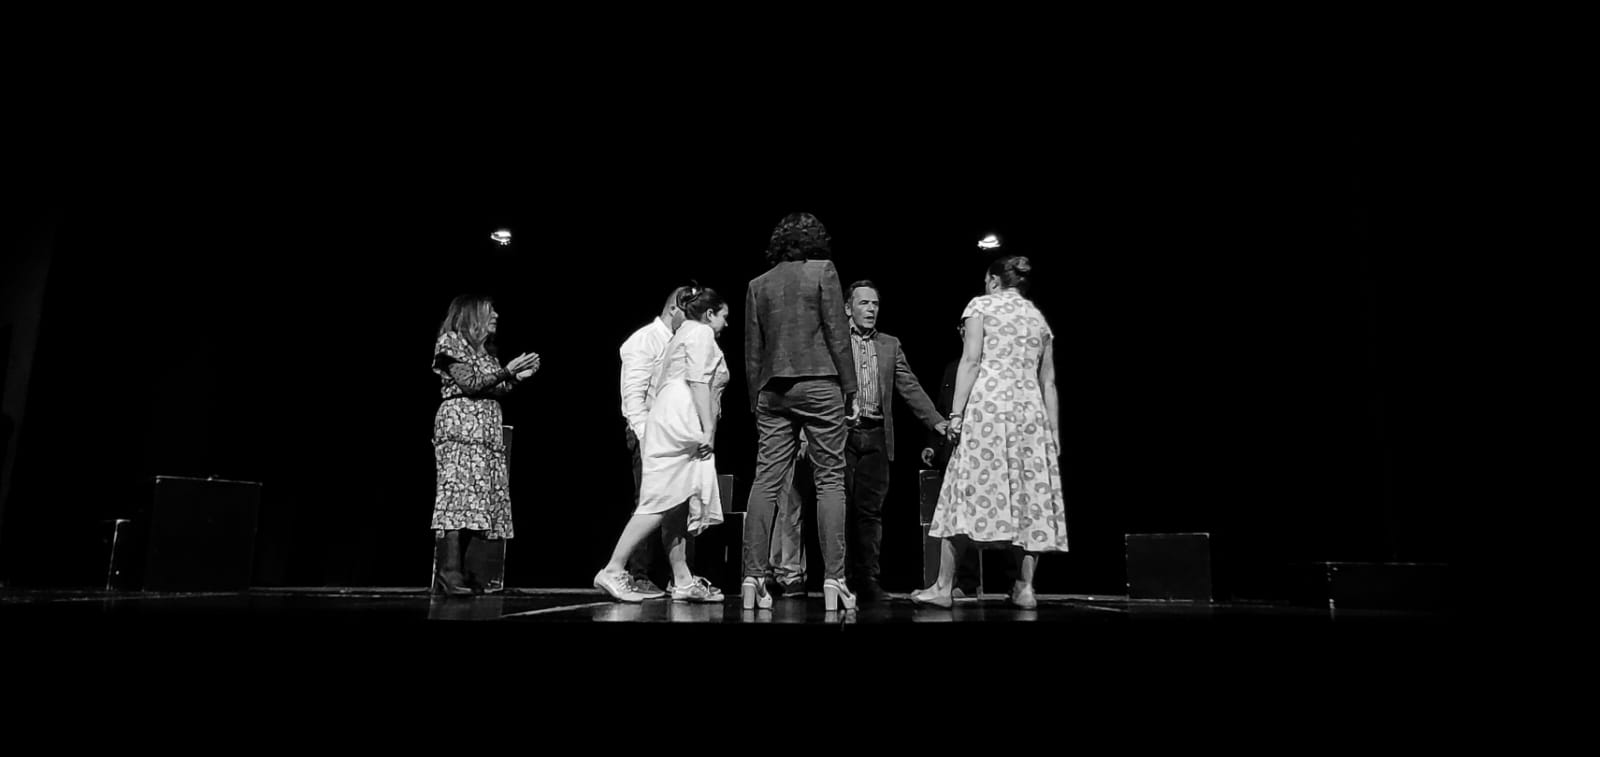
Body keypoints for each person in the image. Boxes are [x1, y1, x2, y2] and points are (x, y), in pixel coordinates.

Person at [913, 255, 1065, 609]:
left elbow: (970, 361)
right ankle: (1025, 588)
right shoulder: (1037, 318)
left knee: (963, 491)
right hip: (1030, 416)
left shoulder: (980, 307)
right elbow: (1049, 382)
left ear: (995, 280)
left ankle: (943, 587)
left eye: (986, 281)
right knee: (1028, 497)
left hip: (989, 412)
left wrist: (955, 413)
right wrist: (1054, 432)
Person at [740, 212, 857, 611]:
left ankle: (753, 578)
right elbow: (838, 335)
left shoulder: (758, 284)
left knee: (765, 480)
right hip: (821, 383)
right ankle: (835, 579)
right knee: (830, 480)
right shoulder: (824, 271)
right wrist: (851, 389)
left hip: (772, 389)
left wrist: (755, 400)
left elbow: (752, 351)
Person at [594, 287, 731, 603]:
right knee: (659, 500)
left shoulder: (683, 333)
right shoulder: (699, 333)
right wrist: (708, 429)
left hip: (672, 416)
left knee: (675, 502)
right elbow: (698, 381)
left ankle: (682, 578)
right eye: (724, 316)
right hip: (680, 419)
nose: (726, 323)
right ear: (709, 314)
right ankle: (613, 569)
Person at [838, 280, 947, 601]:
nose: (871, 309)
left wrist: (936, 421)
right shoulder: (836, 341)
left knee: (870, 512)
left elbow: (909, 386)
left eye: (875, 304)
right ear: (847, 308)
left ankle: (868, 580)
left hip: (876, 435)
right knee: (838, 509)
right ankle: (839, 578)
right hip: (841, 435)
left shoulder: (889, 344)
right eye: (864, 303)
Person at [431, 295, 540, 595]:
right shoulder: (451, 342)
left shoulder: (486, 352)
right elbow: (470, 384)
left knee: (479, 500)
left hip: (486, 432)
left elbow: (493, 387)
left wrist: (515, 378)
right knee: (456, 498)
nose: (496, 316)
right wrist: (507, 371)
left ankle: (467, 572)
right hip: (461, 428)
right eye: (489, 311)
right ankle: (448, 572)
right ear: (472, 315)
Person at [617, 286, 695, 599]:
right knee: (648, 503)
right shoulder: (644, 341)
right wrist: (646, 439)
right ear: (674, 309)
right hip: (649, 435)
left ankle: (679, 577)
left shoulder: (682, 340)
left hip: (674, 437)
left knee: (677, 506)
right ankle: (636, 574)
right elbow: (633, 399)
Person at [920, 321, 986, 599]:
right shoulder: (953, 368)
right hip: (954, 448)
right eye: (963, 329)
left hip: (983, 449)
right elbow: (943, 409)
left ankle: (1012, 581)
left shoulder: (988, 367)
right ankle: (960, 582)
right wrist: (933, 446)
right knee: (958, 517)